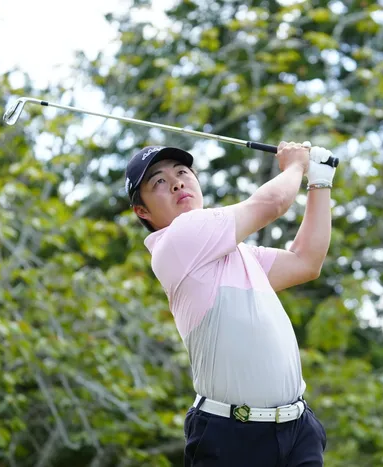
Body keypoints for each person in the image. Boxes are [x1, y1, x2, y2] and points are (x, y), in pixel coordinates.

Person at [124, 140, 336, 467]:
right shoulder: (178, 240)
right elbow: (272, 203)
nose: (177, 183)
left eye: (182, 172)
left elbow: (305, 262)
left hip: (298, 429)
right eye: (160, 182)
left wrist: (320, 182)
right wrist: (295, 164)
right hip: (232, 437)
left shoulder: (239, 254)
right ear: (143, 211)